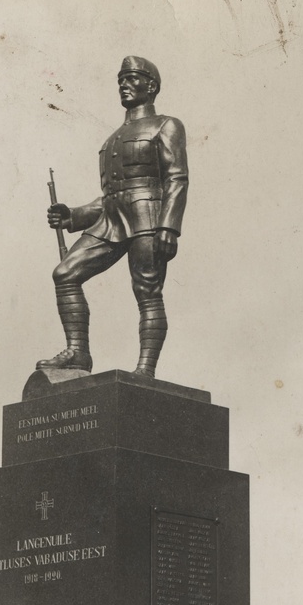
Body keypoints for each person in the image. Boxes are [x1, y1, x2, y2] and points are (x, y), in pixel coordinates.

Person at [38, 56, 188, 379]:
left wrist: (169, 226)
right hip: (112, 221)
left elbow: (176, 177)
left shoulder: (166, 125)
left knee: (147, 291)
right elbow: (110, 199)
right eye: (121, 79)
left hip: (148, 219)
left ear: (151, 86)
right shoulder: (111, 141)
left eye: (132, 78)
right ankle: (78, 351)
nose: (124, 84)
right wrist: (73, 216)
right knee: (65, 273)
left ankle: (144, 370)